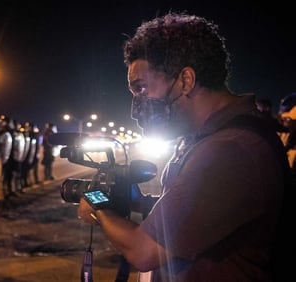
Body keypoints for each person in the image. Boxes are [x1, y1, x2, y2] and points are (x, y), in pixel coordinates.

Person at [77, 13, 291, 282]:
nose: (136, 108)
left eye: (141, 89)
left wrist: (96, 207)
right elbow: (195, 217)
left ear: (186, 80)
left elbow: (143, 250)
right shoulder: (206, 138)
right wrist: (137, 201)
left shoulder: (231, 149)